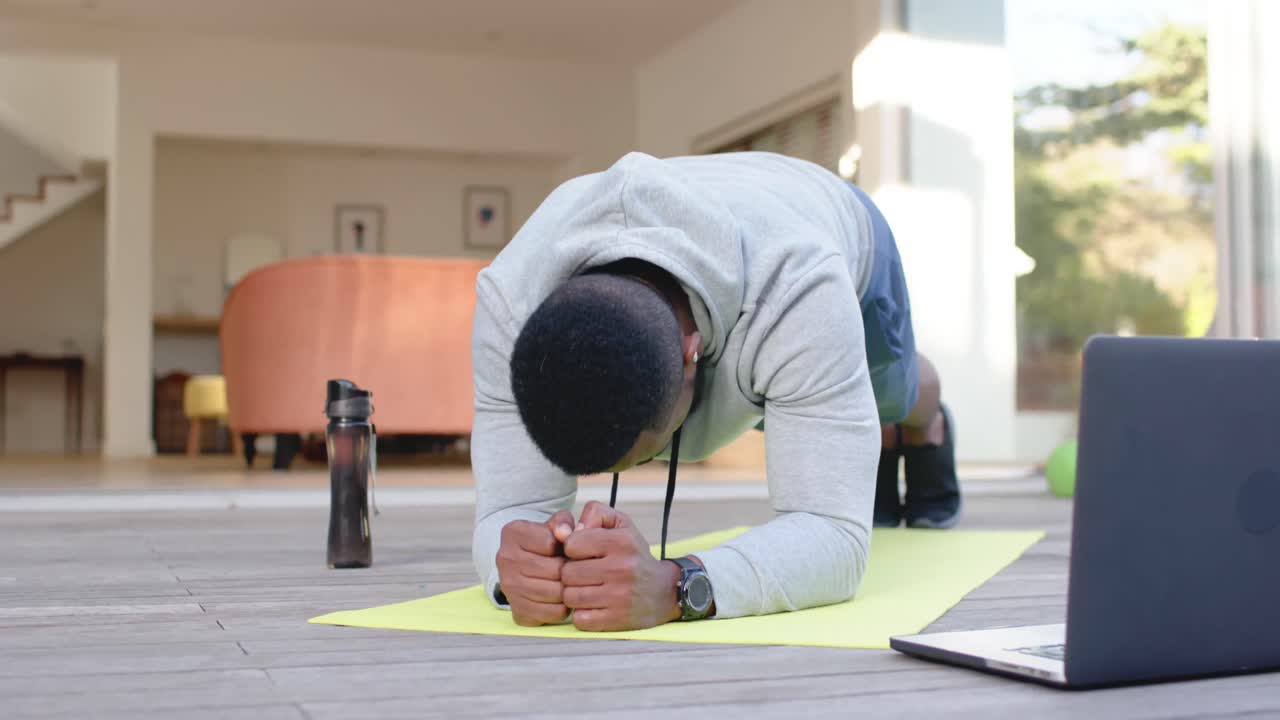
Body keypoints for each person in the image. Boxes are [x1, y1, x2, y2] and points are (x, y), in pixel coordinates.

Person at [470, 151, 960, 632]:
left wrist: (675, 586)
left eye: (646, 452)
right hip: (735, 267)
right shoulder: (510, 309)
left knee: (891, 398)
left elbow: (833, 533)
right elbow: (506, 510)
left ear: (691, 354)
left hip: (830, 219)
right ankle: (837, 425)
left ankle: (929, 422)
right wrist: (515, 565)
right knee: (803, 398)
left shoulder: (800, 288)